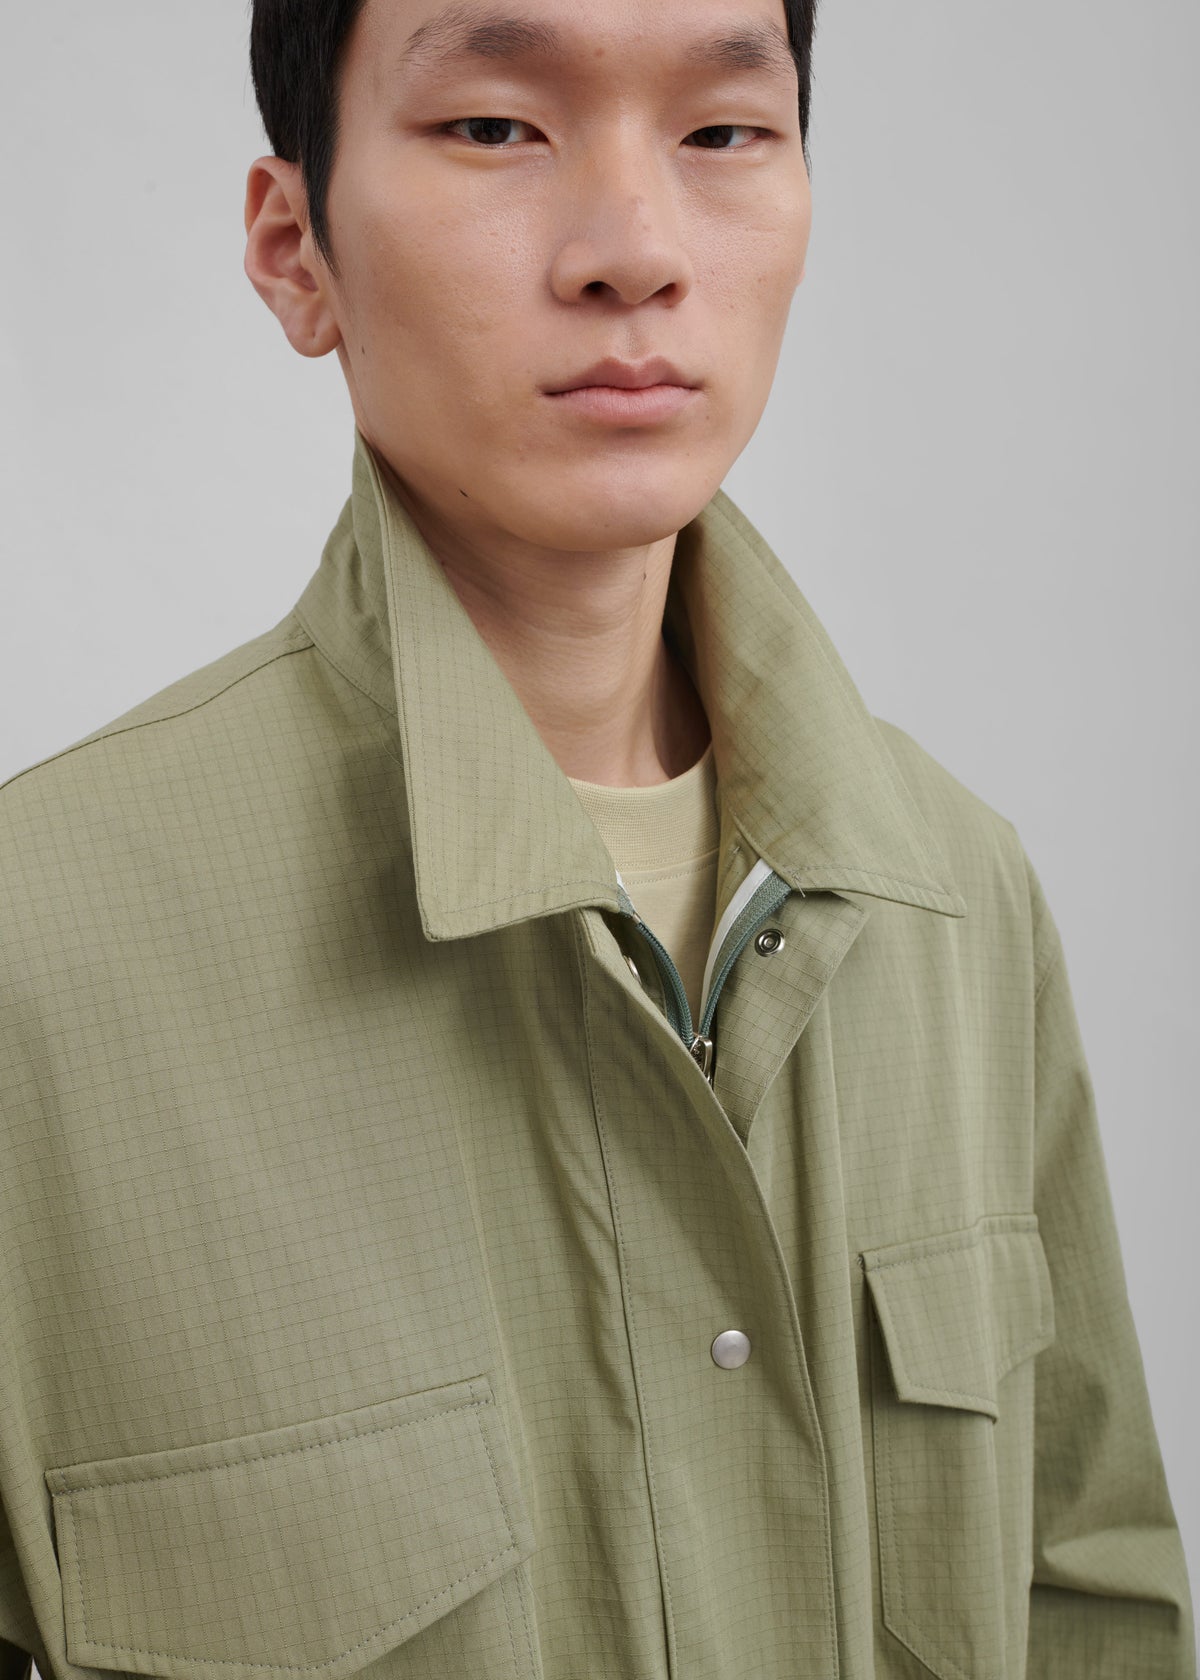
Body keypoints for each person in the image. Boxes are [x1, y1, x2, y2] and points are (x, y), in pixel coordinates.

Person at [0, 0, 1193, 1676]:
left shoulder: (957, 895)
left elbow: (1095, 1606)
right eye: (496, 125)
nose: (635, 249)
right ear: (294, 247)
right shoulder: (37, 957)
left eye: (723, 131)